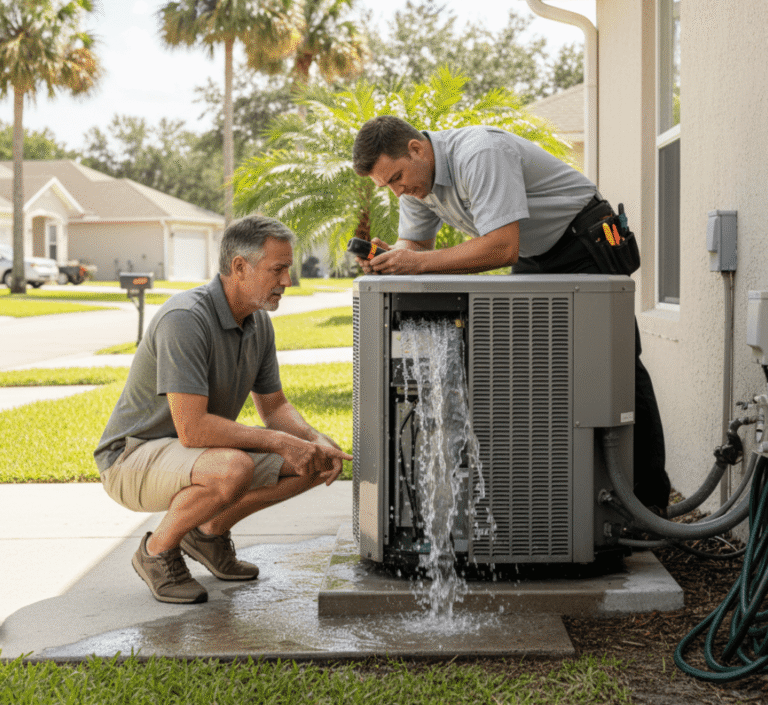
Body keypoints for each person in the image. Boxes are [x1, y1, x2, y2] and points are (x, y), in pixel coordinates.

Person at [351, 115, 670, 510]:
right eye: (387, 187)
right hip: (537, 254)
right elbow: (414, 247)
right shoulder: (419, 187)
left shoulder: (480, 153)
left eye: (396, 178)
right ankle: (564, 490)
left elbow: (502, 247)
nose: (398, 192)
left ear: (416, 149)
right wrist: (392, 261)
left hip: (581, 242)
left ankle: (650, 500)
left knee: (615, 367)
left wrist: (415, 263)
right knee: (529, 372)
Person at [95, 215, 352, 604]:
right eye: (278, 269)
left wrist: (314, 441)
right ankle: (156, 551)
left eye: (289, 269)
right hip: (131, 459)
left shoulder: (257, 323)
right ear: (239, 267)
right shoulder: (185, 319)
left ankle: (209, 534)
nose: (287, 281)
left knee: (315, 461)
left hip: (197, 456)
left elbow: (275, 406)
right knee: (234, 468)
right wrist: (282, 442)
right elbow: (193, 430)